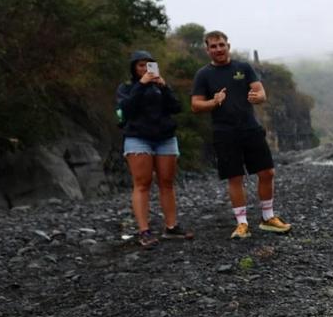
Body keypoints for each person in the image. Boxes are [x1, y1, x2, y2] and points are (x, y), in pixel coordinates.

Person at [190, 30, 291, 239]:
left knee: (267, 173)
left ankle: (268, 217)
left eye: (221, 45)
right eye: (213, 46)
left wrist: (258, 97)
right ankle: (242, 223)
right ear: (207, 49)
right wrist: (213, 102)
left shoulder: (243, 68)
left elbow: (261, 92)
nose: (218, 49)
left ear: (228, 46)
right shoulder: (203, 74)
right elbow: (195, 105)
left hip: (250, 128)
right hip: (224, 132)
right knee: (235, 178)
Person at [116, 50, 192, 246]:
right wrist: (141, 86)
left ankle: (171, 226)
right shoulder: (126, 87)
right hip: (138, 137)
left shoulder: (160, 87)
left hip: (165, 137)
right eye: (140, 65)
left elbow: (176, 107)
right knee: (142, 183)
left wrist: (165, 87)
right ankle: (144, 230)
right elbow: (126, 109)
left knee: (167, 182)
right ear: (134, 68)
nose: (145, 69)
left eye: (148, 65)